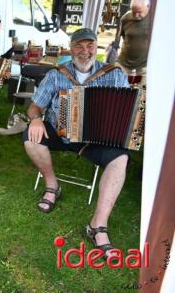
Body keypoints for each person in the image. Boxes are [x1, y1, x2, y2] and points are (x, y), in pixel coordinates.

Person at [23, 28, 130, 260]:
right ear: (71, 49)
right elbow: (35, 106)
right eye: (79, 46)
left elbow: (128, 107)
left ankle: (97, 226)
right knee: (30, 139)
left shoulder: (114, 74)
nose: (85, 51)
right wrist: (36, 119)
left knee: (121, 158)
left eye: (90, 45)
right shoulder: (57, 74)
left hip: (95, 138)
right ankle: (53, 186)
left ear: (96, 47)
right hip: (59, 133)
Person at [116, 0, 151, 87]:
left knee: (142, 94)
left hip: (146, 65)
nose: (136, 15)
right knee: (118, 89)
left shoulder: (155, 18)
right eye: (133, 11)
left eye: (139, 12)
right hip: (124, 62)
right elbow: (123, 36)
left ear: (148, 8)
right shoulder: (125, 18)